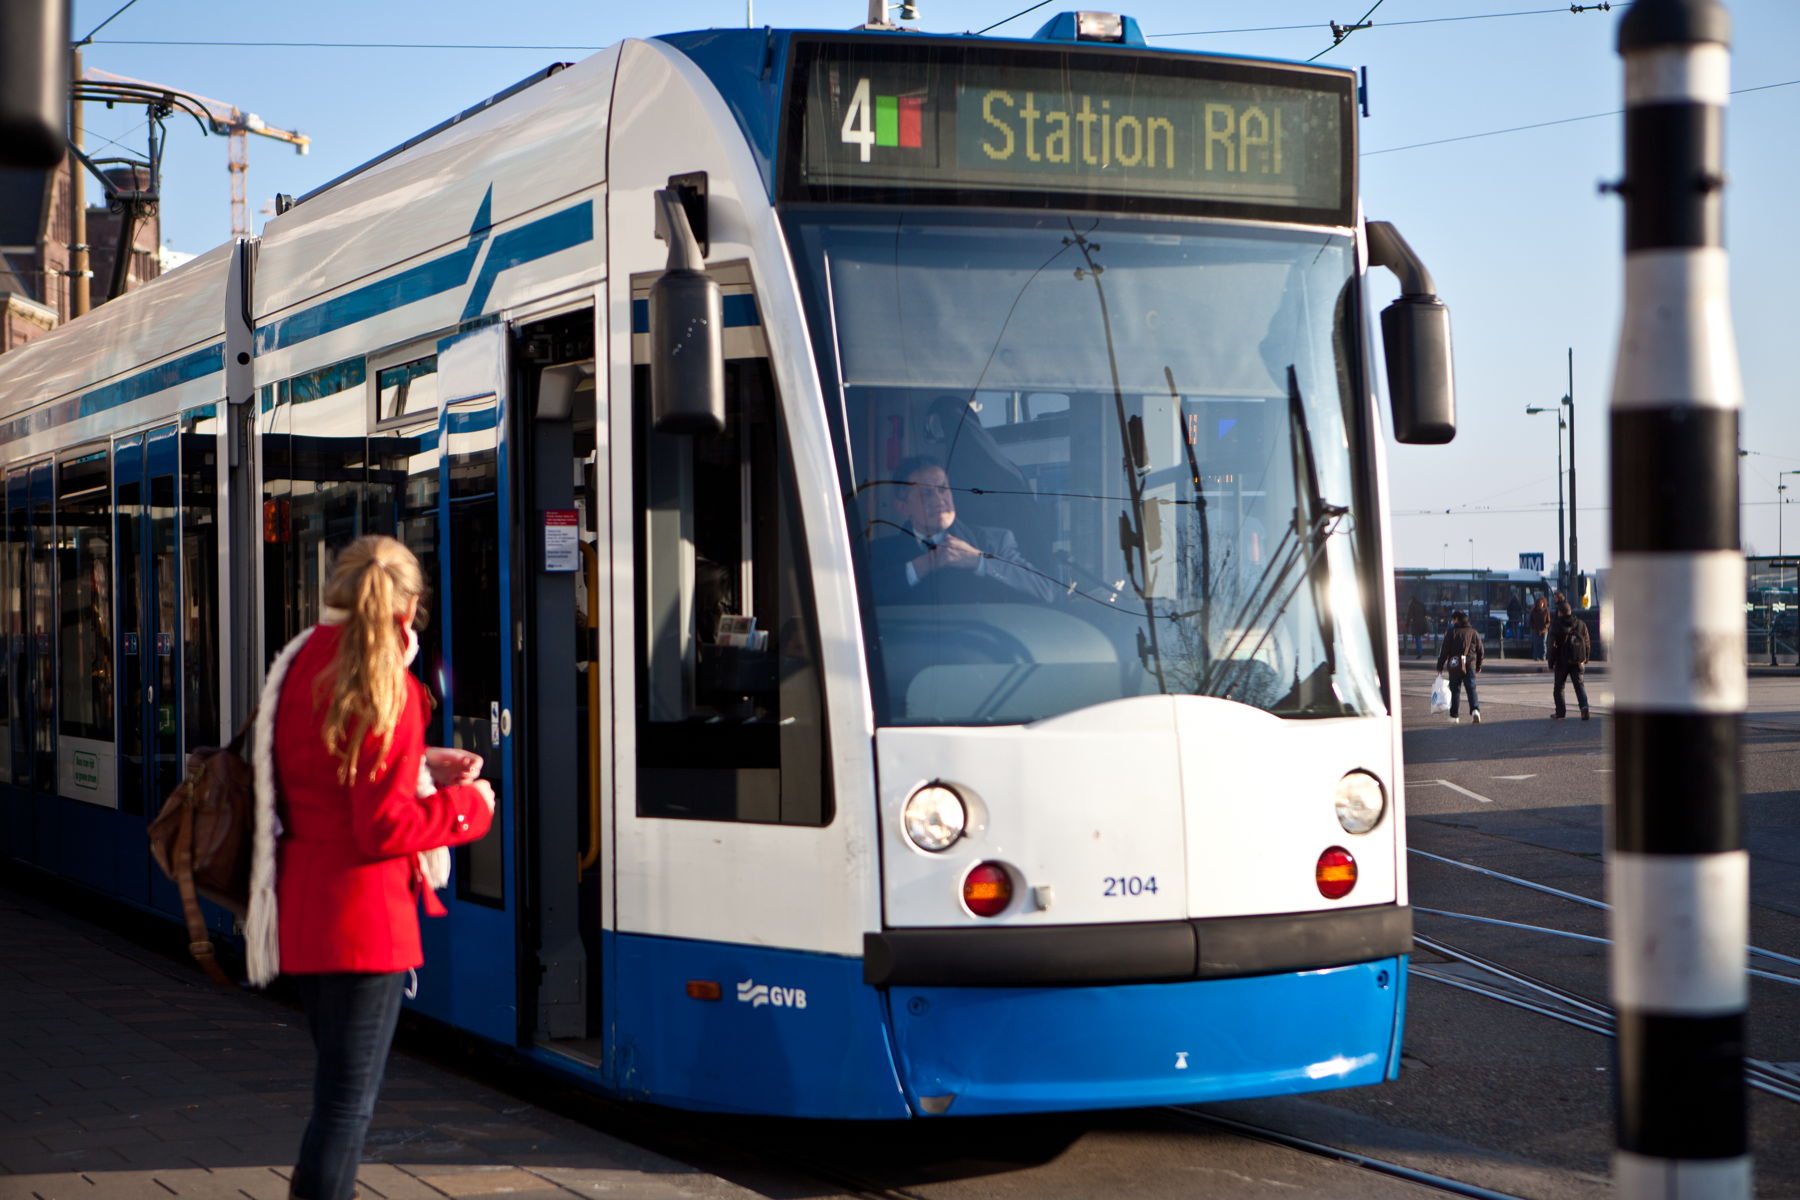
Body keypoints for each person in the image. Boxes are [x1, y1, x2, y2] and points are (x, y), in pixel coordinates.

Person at [245, 535, 496, 1200]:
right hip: (366, 928)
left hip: (305, 914)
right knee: (346, 1108)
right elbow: (382, 823)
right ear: (407, 608)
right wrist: (469, 807)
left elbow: (330, 777)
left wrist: (422, 765)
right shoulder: (389, 683)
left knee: (334, 1095)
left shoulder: (300, 665)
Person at [870, 455, 1056, 604]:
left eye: (943, 489)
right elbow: (860, 600)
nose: (939, 499)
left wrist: (979, 561)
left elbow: (1045, 591)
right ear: (902, 507)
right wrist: (922, 566)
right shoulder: (878, 553)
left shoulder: (993, 542)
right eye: (926, 493)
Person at [1435, 609, 1484, 724]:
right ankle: (1475, 710)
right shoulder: (1473, 632)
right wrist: (1478, 665)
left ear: (1456, 619)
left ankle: (1454, 716)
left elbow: (1444, 651)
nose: (1452, 622)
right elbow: (1480, 650)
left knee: (1455, 690)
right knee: (1471, 689)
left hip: (1455, 665)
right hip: (1469, 664)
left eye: (1453, 619)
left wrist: (1440, 666)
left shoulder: (1451, 632)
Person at [1547, 598, 1592, 720]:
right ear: (1570, 611)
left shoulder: (1556, 625)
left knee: (1559, 687)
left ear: (1560, 612)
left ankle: (1560, 712)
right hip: (1578, 660)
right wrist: (1586, 658)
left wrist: (1550, 663)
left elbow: (1551, 645)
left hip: (1562, 661)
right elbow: (1587, 642)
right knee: (1579, 685)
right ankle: (1584, 707)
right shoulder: (1581, 624)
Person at [1529, 595, 1550, 667]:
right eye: (1540, 604)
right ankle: (1536, 656)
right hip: (1536, 629)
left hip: (1544, 630)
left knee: (1543, 643)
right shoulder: (1534, 611)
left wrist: (1545, 627)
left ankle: (1543, 656)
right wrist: (1534, 627)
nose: (1541, 605)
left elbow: (1548, 621)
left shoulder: (1546, 611)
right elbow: (1531, 620)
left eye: (1542, 604)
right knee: (1536, 643)